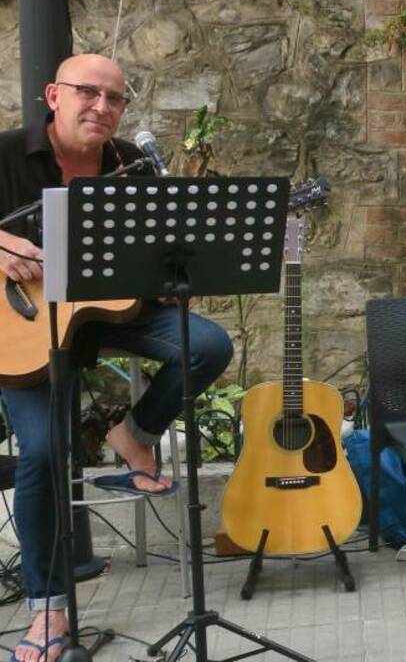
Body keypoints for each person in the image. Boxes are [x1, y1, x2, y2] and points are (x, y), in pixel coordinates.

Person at [0, 54, 233, 661]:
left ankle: (136, 431)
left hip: (110, 312)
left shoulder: (133, 164)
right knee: (46, 453)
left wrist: (171, 271)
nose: (102, 107)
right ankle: (49, 611)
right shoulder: (5, 155)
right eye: (88, 93)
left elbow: (158, 255)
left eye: (116, 98)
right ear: (54, 95)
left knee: (206, 344)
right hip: (25, 328)